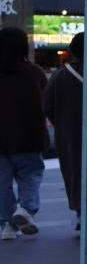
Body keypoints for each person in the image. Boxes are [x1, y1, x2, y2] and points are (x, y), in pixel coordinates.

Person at [44, 32, 87, 237]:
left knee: (75, 174)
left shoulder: (61, 75)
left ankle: (81, 218)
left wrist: (62, 124)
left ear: (72, 51)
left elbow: (47, 105)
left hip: (69, 136)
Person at [0, 27, 47, 239]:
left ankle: (7, 226)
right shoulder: (34, 73)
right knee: (31, 175)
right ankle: (25, 209)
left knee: (2, 184)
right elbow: (46, 101)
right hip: (30, 138)